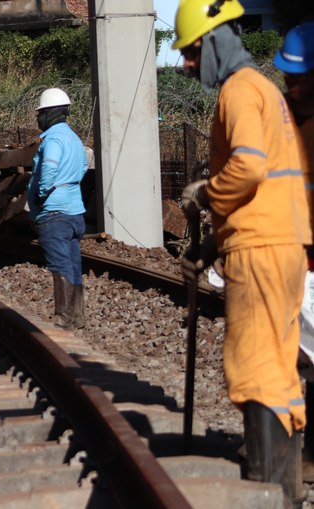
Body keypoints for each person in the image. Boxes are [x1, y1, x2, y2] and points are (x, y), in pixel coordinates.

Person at [175, 1, 312, 504]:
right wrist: (212, 244)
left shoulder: (237, 90)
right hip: (282, 244)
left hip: (262, 252)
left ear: (213, 42)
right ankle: (289, 488)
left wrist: (205, 194)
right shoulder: (266, 90)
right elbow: (269, 188)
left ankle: (269, 489)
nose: (188, 65)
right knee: (278, 364)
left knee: (255, 366)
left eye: (191, 53)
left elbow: (251, 168)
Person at [273, 21, 314, 483]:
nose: (292, 84)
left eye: (301, 75)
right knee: (292, 356)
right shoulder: (283, 119)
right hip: (292, 256)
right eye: (288, 75)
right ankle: (288, 447)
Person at [26, 87, 88, 330]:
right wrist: (69, 183)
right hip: (75, 212)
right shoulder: (74, 138)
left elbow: (49, 168)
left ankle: (63, 317)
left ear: (49, 113)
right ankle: (78, 316)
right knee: (73, 263)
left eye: (40, 113)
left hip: (55, 214)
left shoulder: (53, 139)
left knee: (59, 263)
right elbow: (83, 165)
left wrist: (42, 193)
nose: (38, 118)